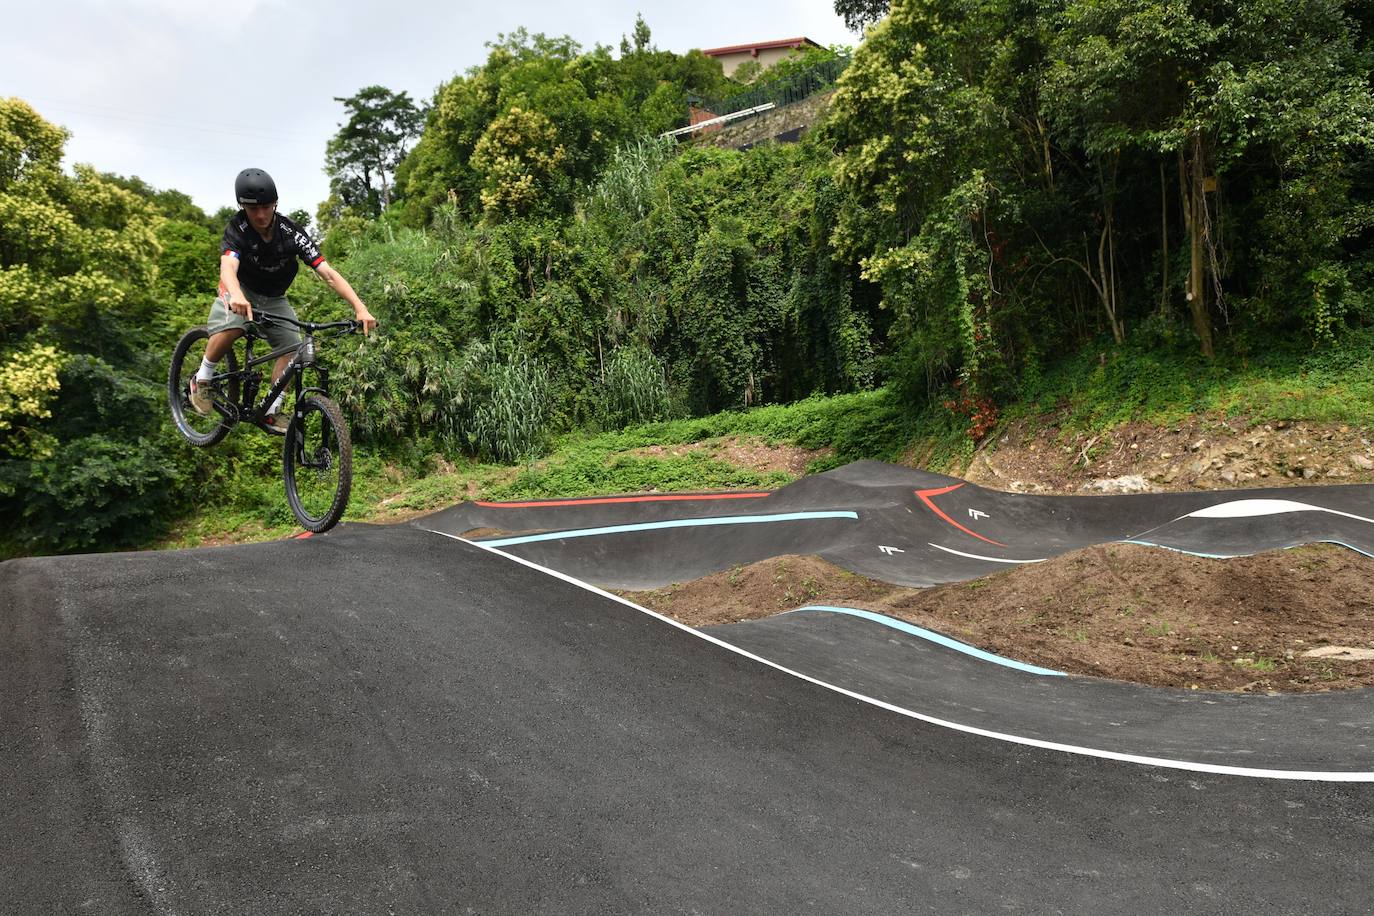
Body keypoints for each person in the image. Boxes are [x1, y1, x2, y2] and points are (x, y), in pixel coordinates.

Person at [189, 168, 377, 430]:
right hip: (240, 289)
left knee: (293, 349)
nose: (261, 215)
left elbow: (328, 274)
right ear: (242, 207)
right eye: (253, 209)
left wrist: (360, 308)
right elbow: (228, 269)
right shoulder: (238, 228)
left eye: (266, 207)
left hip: (274, 297)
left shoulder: (291, 233)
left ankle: (272, 409)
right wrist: (238, 296)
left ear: (275, 203)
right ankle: (203, 378)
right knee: (234, 325)